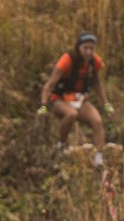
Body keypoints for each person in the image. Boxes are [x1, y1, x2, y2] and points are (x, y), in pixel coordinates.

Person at [38, 31, 114, 168]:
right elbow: (48, 86)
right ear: (78, 47)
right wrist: (43, 106)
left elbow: (97, 84)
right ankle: (61, 146)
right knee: (71, 114)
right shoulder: (67, 60)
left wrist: (106, 105)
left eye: (92, 48)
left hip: (79, 99)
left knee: (97, 121)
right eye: (85, 48)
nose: (89, 52)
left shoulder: (94, 62)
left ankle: (98, 158)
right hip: (59, 99)